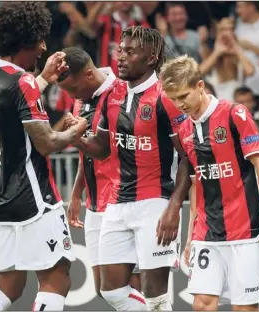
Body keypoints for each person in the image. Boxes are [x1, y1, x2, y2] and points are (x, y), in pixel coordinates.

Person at [0, 3, 87, 311]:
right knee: (57, 279)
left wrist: (44, 77)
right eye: (39, 39)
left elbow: (13, 102)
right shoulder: (21, 82)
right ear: (23, 39)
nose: (43, 47)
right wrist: (81, 130)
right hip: (34, 197)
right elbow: (48, 143)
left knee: (8, 285)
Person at [65, 26, 186, 311]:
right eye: (120, 50)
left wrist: (173, 208)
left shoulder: (165, 97)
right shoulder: (113, 95)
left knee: (156, 296)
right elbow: (103, 148)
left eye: (130, 52)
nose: (121, 57)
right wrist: (78, 138)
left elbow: (186, 157)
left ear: (151, 57)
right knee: (110, 290)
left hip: (154, 203)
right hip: (117, 204)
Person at [157, 55, 259, 311]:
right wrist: (190, 237)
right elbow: (197, 183)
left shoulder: (234, 114)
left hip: (246, 229)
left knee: (244, 308)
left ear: (200, 86)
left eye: (183, 96)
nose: (179, 104)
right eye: (173, 98)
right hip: (207, 231)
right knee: (202, 304)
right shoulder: (184, 129)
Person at [56, 46, 141, 296]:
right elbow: (87, 151)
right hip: (94, 204)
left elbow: (110, 148)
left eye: (72, 89)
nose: (72, 95)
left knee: (130, 286)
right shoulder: (81, 98)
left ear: (89, 75)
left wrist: (74, 138)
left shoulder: (124, 93)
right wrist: (76, 193)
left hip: (122, 202)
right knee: (104, 289)